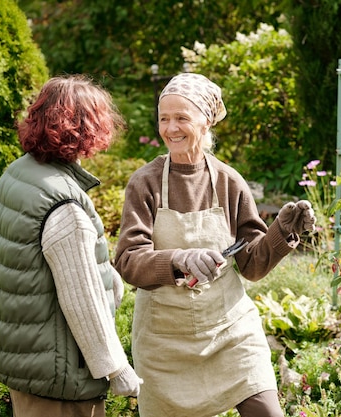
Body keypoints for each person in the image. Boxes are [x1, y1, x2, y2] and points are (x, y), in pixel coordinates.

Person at [114, 72, 316, 417]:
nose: (170, 128)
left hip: (229, 332)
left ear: (206, 121)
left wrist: (281, 232)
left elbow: (251, 263)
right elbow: (129, 260)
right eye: (164, 118)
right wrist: (179, 258)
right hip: (165, 343)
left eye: (181, 117)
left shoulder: (227, 180)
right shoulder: (144, 183)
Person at [0, 75, 143, 417]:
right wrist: (117, 369)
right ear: (89, 129)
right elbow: (81, 301)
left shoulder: (20, 173)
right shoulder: (64, 206)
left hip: (26, 366)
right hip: (60, 379)